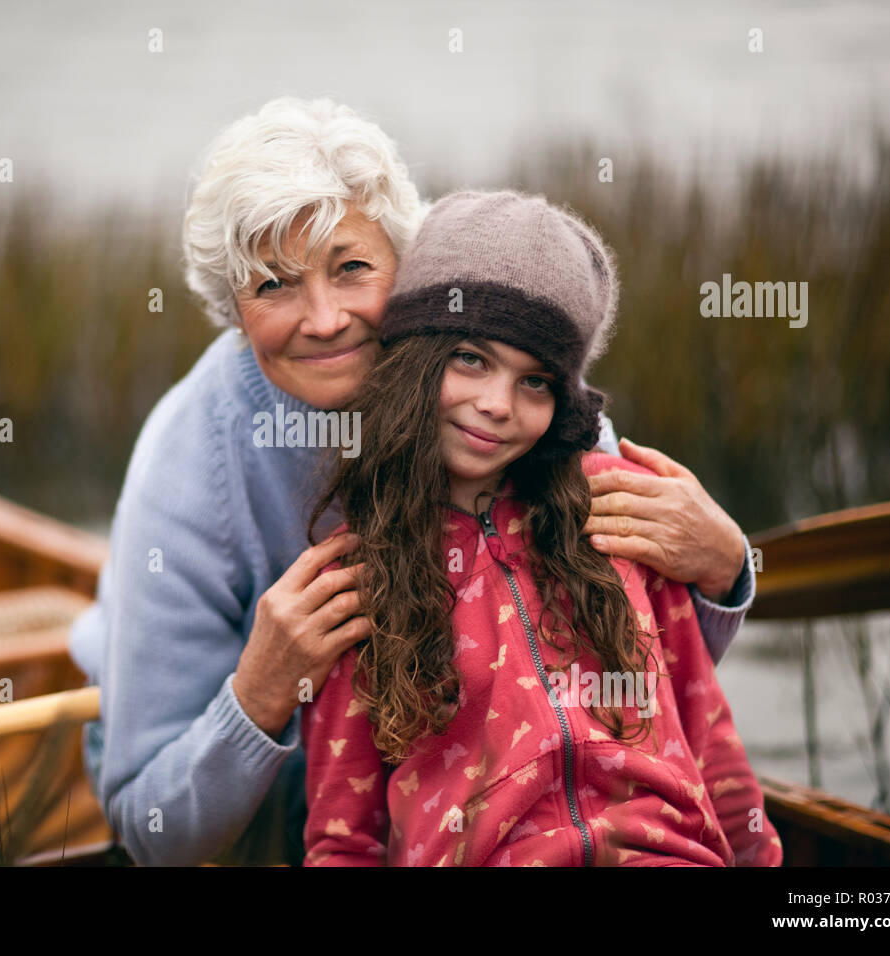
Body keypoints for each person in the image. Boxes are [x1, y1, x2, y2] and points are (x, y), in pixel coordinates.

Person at [68, 97, 756, 866]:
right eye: (273, 286)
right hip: (250, 787)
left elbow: (643, 671)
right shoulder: (189, 461)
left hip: (446, 790)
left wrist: (724, 573)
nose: (325, 319)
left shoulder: (506, 392)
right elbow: (149, 826)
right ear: (230, 308)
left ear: (407, 261)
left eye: (351, 268)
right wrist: (261, 695)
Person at [301, 190, 781, 866]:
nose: (497, 405)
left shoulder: (620, 512)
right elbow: (343, 839)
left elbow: (711, 741)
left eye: (536, 382)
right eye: (470, 358)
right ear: (413, 359)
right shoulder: (355, 577)